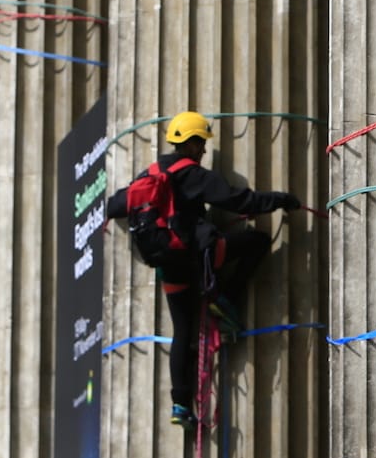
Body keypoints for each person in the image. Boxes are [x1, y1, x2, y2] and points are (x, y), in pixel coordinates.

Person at [107, 110, 300, 430]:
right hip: (198, 258)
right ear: (193, 144)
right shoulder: (193, 174)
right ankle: (226, 299)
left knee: (183, 331)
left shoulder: (147, 175)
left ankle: (180, 404)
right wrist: (282, 199)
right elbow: (240, 201)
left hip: (168, 267)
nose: (205, 150)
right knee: (257, 241)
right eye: (202, 143)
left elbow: (114, 207)